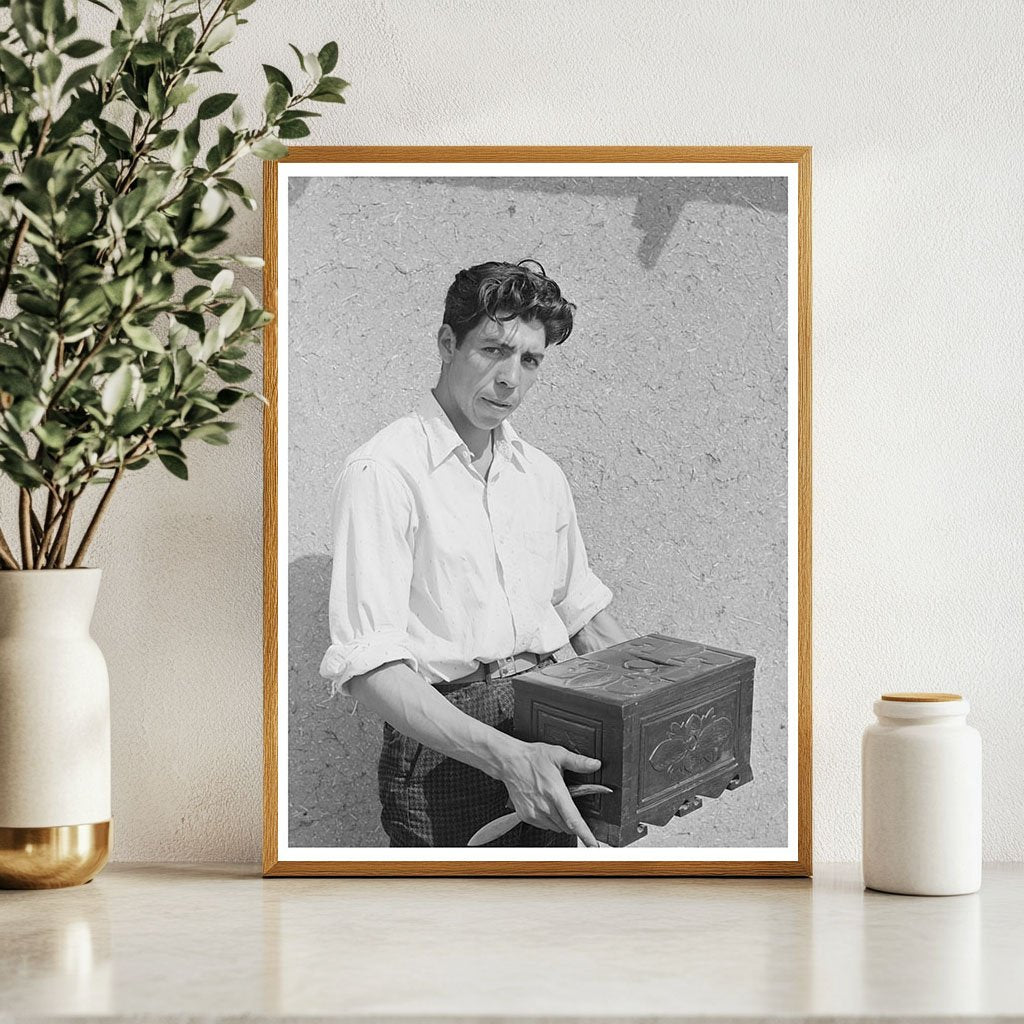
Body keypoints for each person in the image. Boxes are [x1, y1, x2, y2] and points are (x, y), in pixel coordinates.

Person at [319, 260, 628, 848]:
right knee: (452, 935)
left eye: (530, 360)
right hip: (445, 753)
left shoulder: (541, 475)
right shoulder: (384, 470)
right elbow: (369, 669)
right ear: (446, 343)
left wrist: (668, 709)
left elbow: (582, 616)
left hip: (552, 726)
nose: (510, 378)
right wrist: (508, 758)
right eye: (492, 350)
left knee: (559, 931)